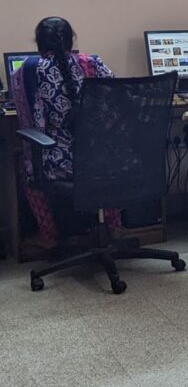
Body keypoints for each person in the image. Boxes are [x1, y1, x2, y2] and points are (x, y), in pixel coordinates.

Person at [11, 17, 118, 253]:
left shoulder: (28, 70)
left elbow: (27, 121)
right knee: (105, 166)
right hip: (101, 160)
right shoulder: (92, 63)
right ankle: (112, 228)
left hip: (58, 164)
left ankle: (49, 235)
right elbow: (116, 105)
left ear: (39, 44)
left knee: (23, 159)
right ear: (71, 40)